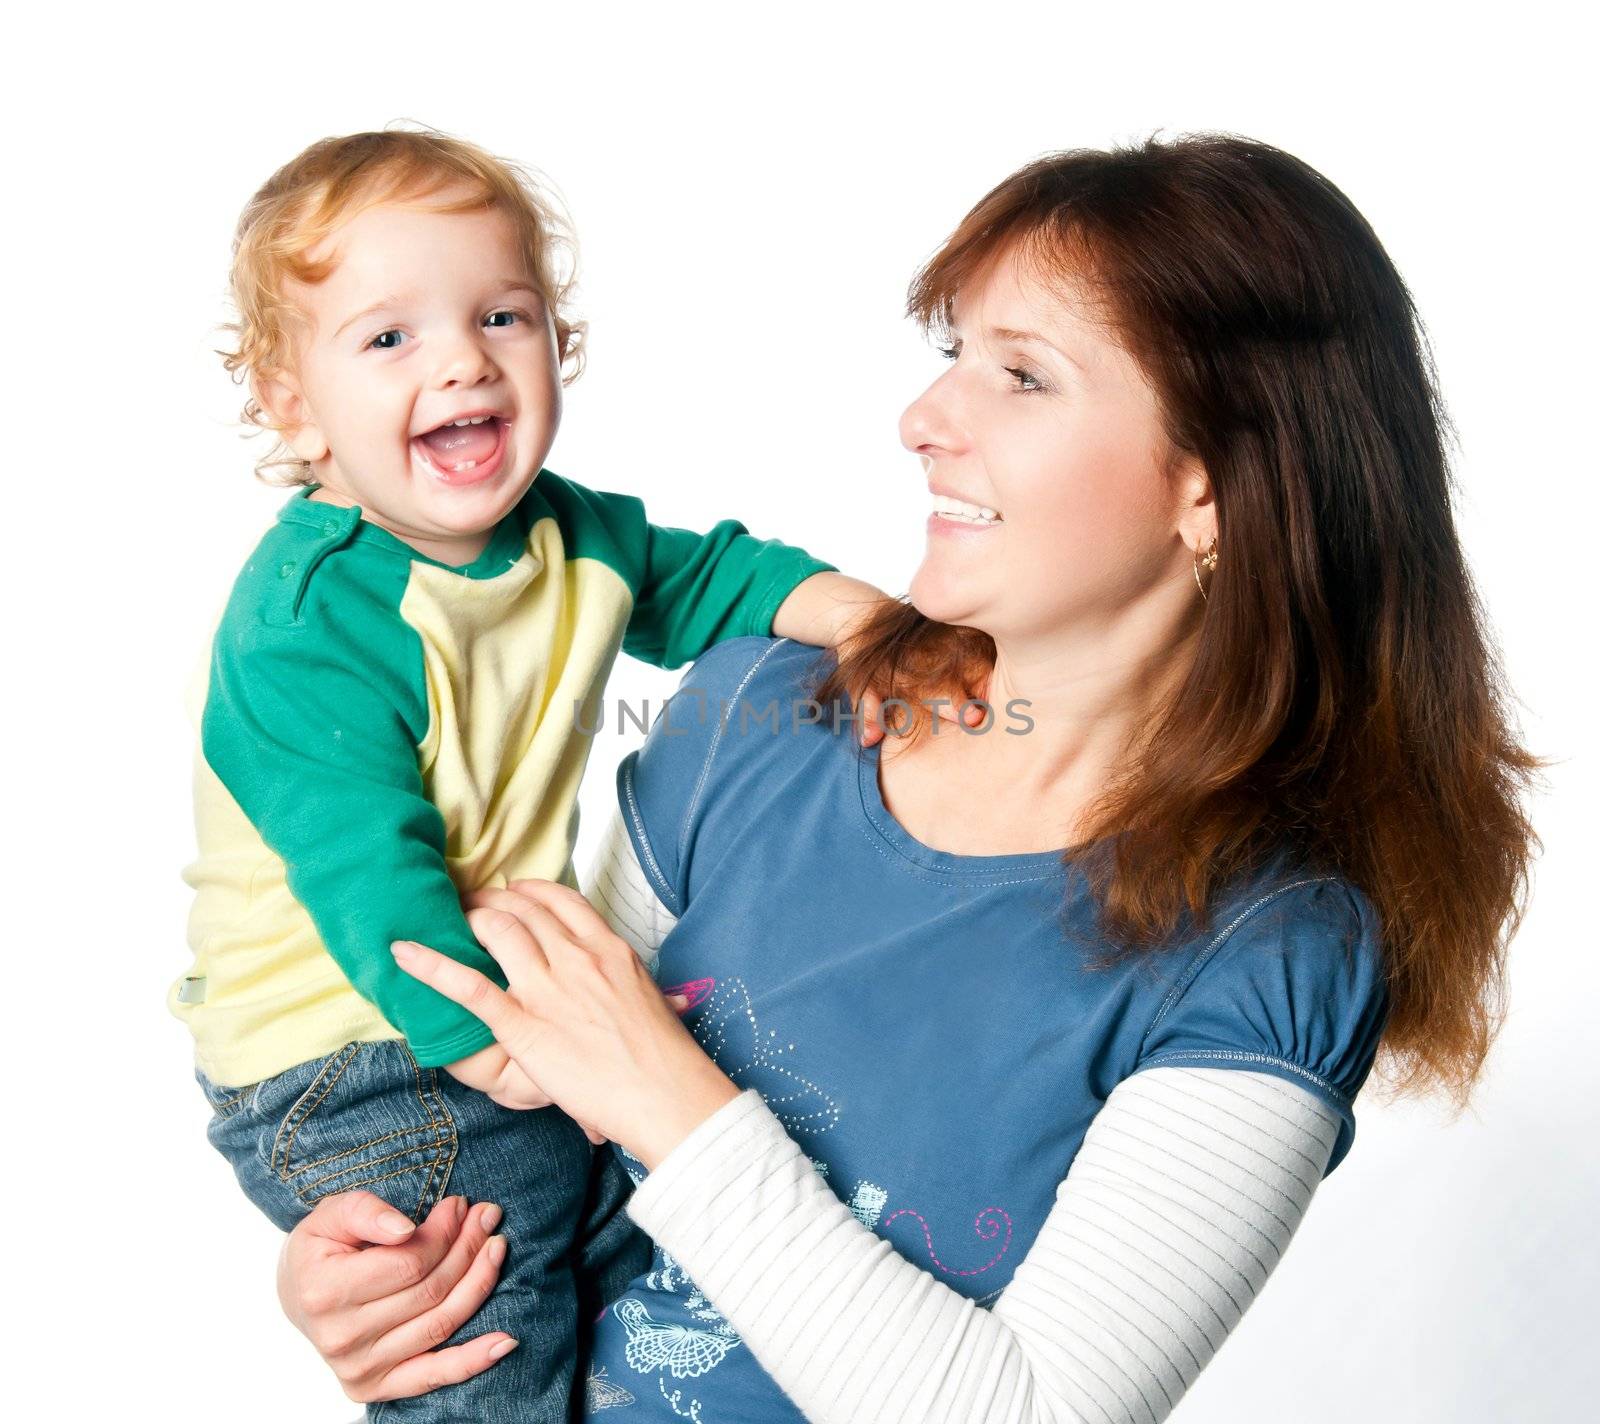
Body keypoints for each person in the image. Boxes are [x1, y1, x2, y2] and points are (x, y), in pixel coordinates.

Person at [271, 134, 1542, 1422]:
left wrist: (671, 1096)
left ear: (1209, 487)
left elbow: (1031, 1415)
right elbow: (536, 1105)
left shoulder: (1272, 949)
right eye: (954, 358)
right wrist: (390, 1273)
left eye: (1023, 377)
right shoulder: (748, 721)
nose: (925, 421)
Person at [170, 126, 943, 1424]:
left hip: (460, 1001)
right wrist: (510, 1054)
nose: (464, 359)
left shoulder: (572, 536)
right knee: (490, 1304)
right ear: (293, 405)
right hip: (347, 1041)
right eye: (387, 338)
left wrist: (866, 621)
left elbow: (714, 579)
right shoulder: (307, 621)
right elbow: (373, 876)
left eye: (501, 315)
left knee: (612, 1248)